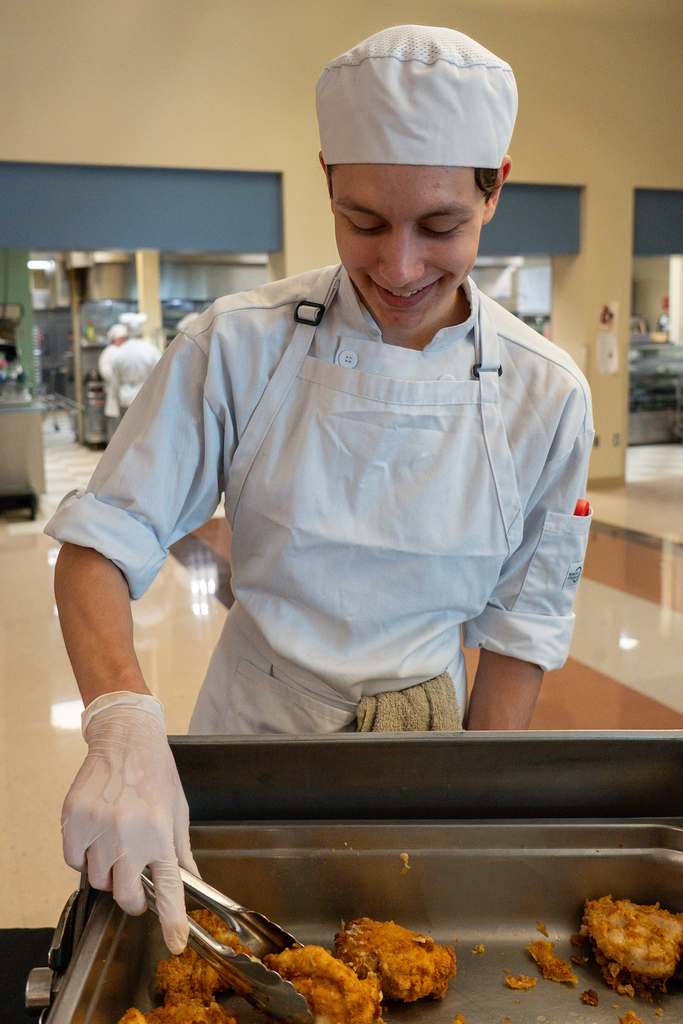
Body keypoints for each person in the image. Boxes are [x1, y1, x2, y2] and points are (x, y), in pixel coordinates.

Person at [45, 25, 594, 954]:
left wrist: (472, 807)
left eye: (440, 227)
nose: (400, 268)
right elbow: (101, 543)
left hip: (428, 745)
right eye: (363, 222)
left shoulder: (545, 393)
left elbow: (520, 629)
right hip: (254, 737)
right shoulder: (236, 345)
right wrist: (121, 718)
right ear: (327, 180)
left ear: (494, 188)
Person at [110, 312, 161, 414]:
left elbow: (115, 381)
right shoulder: (152, 351)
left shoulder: (119, 352)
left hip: (125, 400)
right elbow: (160, 376)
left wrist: (117, 399)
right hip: (147, 400)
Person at [98, 322, 128, 442]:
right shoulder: (109, 352)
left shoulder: (126, 350)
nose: (123, 340)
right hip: (115, 393)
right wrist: (120, 379)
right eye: (121, 338)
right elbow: (106, 373)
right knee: (115, 427)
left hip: (127, 395)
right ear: (115, 339)